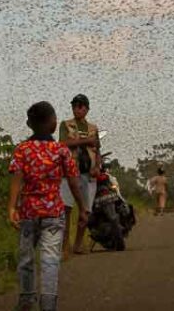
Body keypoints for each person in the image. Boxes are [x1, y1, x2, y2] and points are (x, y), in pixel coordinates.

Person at [8, 101, 90, 311]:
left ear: (29, 124)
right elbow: (73, 181)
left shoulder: (22, 150)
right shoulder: (61, 150)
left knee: (26, 259)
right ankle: (48, 304)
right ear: (54, 125)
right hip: (54, 214)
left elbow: (16, 179)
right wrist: (82, 207)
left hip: (28, 213)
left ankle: (26, 300)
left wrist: (12, 208)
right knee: (50, 260)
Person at [59, 93, 100, 256]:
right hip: (70, 173)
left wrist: (97, 166)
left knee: (86, 211)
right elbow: (62, 144)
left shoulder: (93, 128)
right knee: (66, 209)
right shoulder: (66, 125)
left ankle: (77, 245)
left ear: (87, 109)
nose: (77, 109)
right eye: (74, 106)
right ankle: (64, 247)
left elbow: (97, 149)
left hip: (88, 174)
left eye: (80, 106)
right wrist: (85, 141)